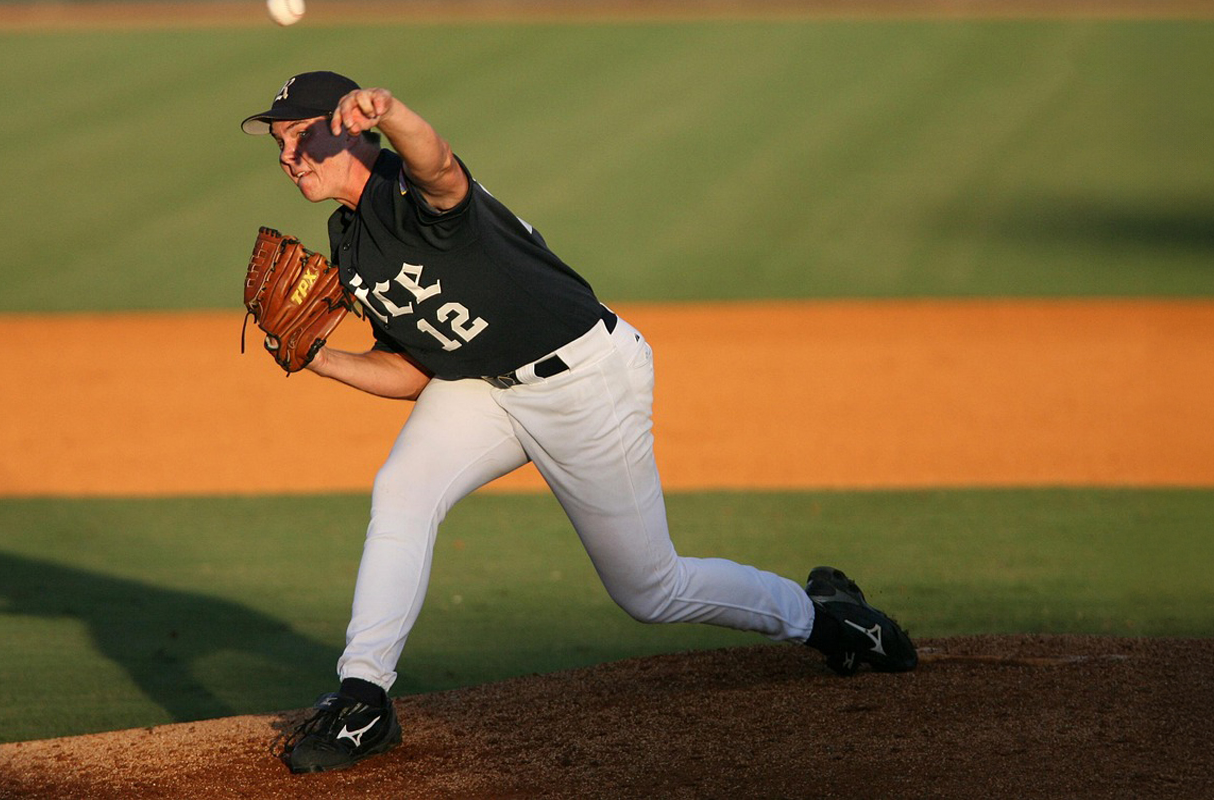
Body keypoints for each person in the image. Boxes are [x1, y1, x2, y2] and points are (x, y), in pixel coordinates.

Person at [242, 71, 918, 774]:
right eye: (281, 142)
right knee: (403, 491)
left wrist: (394, 109)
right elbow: (416, 370)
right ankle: (365, 697)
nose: (288, 155)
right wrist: (324, 361)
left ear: (351, 126)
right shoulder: (348, 241)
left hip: (586, 381)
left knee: (651, 590)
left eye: (301, 136)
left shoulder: (409, 191)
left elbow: (439, 165)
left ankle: (824, 618)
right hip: (480, 385)